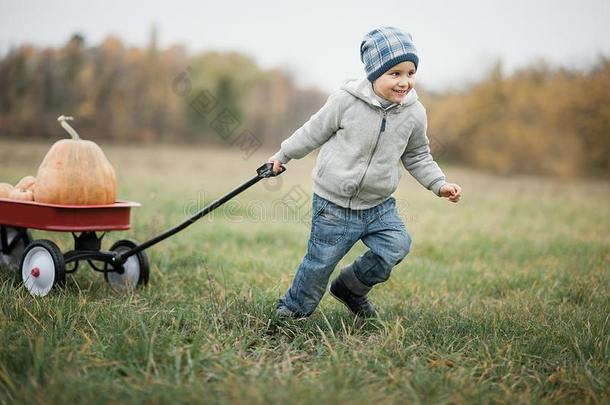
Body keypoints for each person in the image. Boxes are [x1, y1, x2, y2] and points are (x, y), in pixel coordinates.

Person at [268, 26, 462, 318]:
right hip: (333, 203)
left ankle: (350, 287)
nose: (404, 82)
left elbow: (418, 155)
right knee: (320, 262)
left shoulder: (413, 113)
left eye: (410, 73)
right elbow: (313, 132)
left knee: (396, 246)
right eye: (394, 74)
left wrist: (439, 183)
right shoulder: (345, 101)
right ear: (373, 72)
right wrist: (282, 155)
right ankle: (293, 310)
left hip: (377, 205)